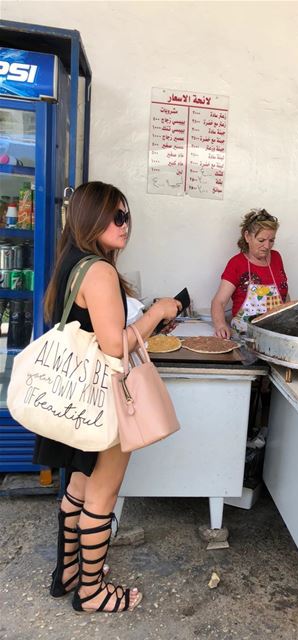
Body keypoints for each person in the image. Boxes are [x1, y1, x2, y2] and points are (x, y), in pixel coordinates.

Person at [33, 181, 182, 613]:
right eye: (115, 216)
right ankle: (92, 591)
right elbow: (115, 344)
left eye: (126, 215)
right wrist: (156, 313)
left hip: (77, 395)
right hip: (104, 397)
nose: (124, 224)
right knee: (103, 492)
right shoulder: (98, 270)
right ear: (89, 219)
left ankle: (68, 574)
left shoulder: (72, 264)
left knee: (79, 483)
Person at [211, 208, 288, 338]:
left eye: (271, 240)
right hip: (245, 336)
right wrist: (220, 325)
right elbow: (219, 302)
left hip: (276, 334)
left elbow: (284, 294)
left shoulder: (276, 257)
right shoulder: (237, 263)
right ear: (247, 236)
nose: (267, 246)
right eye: (261, 240)